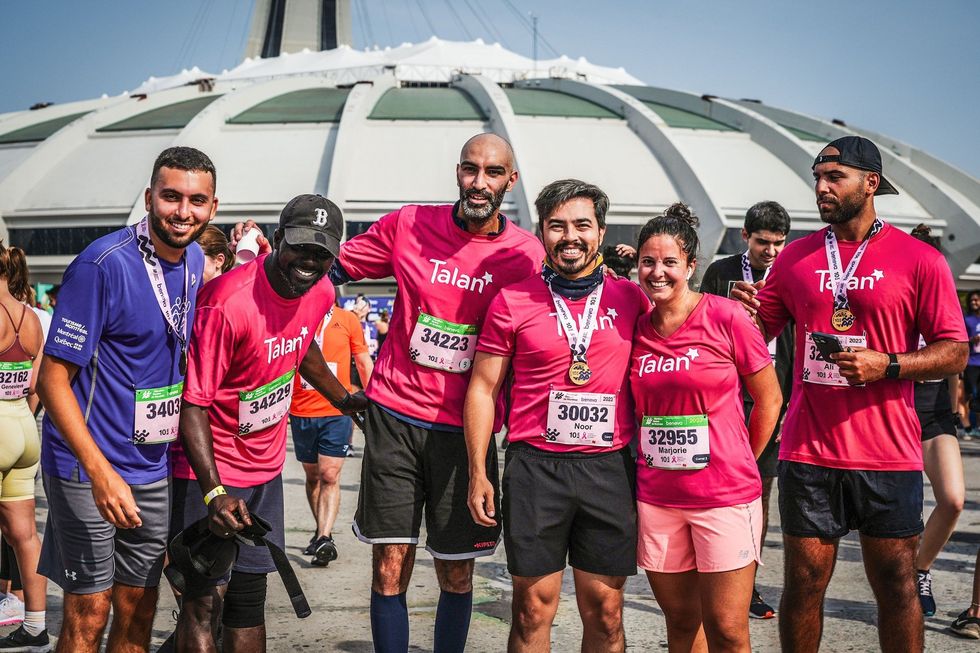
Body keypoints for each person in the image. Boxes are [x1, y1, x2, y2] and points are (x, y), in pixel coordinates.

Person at [732, 135, 968, 652]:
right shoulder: (796, 258)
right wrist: (739, 314)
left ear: (871, 182)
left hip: (887, 454)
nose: (821, 188)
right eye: (817, 178)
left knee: (897, 586)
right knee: (804, 586)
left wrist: (887, 365)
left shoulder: (918, 258)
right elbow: (757, 336)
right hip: (809, 451)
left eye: (834, 178)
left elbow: (954, 350)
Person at [335, 133, 544, 653]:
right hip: (396, 416)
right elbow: (328, 270)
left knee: (456, 573)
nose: (479, 182)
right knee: (390, 566)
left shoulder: (527, 254)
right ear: (457, 172)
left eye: (492, 173)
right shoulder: (409, 224)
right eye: (470, 169)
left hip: (464, 433)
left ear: (509, 182)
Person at [36, 146, 215, 653]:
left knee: (138, 610)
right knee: (89, 613)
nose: (183, 212)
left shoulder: (196, 260)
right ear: (149, 198)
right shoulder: (102, 264)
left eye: (196, 200)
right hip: (86, 467)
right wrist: (99, 472)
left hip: (150, 466)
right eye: (171, 197)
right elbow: (52, 379)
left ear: (213, 207)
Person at [172, 194, 365, 652]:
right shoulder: (227, 304)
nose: (310, 262)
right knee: (203, 604)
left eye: (322, 253)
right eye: (301, 248)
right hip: (210, 474)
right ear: (277, 240)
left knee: (247, 599)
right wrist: (214, 491)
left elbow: (302, 346)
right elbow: (192, 404)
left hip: (264, 472)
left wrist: (346, 399)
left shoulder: (320, 291)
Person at [465, 180, 648, 652]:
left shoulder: (632, 298)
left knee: (605, 612)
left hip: (609, 470)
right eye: (557, 226)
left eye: (582, 225)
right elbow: (483, 389)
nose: (570, 236)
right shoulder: (513, 300)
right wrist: (478, 472)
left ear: (602, 232)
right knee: (530, 610)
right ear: (541, 232)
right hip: (535, 470)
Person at [630, 203, 781, 651]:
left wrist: (741, 459)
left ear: (691, 266)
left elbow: (769, 399)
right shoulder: (636, 329)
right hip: (658, 499)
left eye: (670, 262)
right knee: (680, 622)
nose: (658, 272)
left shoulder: (726, 316)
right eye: (648, 262)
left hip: (723, 497)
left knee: (729, 631)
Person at [698, 200, 794, 620]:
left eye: (778, 243)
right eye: (762, 243)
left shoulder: (794, 271)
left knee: (761, 490)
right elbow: (695, 319)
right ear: (745, 237)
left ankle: (747, 585)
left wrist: (791, 401)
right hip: (726, 395)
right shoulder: (721, 270)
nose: (770, 251)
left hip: (773, 394)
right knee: (715, 487)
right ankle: (709, 575)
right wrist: (724, 296)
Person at [906, 225, 965, 617]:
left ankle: (919, 571)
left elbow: (955, 356)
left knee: (953, 500)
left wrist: (958, 400)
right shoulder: (897, 296)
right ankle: (899, 581)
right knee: (901, 512)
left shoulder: (947, 301)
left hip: (935, 413)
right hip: (896, 412)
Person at [289, 297, 373, 566]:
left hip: (337, 410)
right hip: (301, 410)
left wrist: (374, 401)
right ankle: (319, 531)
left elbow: (362, 360)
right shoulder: (297, 316)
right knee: (312, 475)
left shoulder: (347, 320)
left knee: (329, 474)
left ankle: (326, 537)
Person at [0, 243, 49, 651]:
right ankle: (36, 626)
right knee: (25, 533)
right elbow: (35, 382)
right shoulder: (31, 316)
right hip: (23, 426)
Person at [964, 291, 980, 437]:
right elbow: (960, 339)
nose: (974, 302)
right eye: (972, 300)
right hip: (971, 362)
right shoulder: (967, 319)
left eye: (977, 300)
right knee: (970, 395)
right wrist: (972, 339)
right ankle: (969, 426)